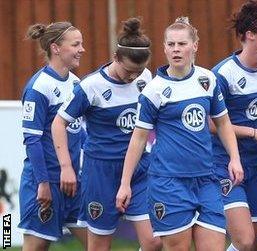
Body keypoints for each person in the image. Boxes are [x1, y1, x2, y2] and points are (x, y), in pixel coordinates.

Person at [115, 16, 243, 251]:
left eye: (182, 44)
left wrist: (234, 159)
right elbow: (139, 138)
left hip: (206, 179)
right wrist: (125, 183)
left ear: (194, 46)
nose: (176, 49)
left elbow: (223, 123)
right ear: (164, 48)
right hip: (168, 182)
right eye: (171, 44)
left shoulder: (208, 80)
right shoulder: (154, 90)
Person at [51, 17, 161, 251]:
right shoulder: (91, 87)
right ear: (116, 58)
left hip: (139, 168)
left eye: (138, 72)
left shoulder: (146, 78)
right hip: (100, 172)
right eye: (129, 71)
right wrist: (66, 167)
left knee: (154, 242)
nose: (133, 77)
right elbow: (58, 123)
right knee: (99, 246)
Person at [211, 1, 257, 250]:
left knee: (249, 243)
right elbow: (211, 123)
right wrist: (254, 133)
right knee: (244, 239)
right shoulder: (223, 74)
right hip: (226, 162)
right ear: (250, 35)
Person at [18, 21, 88, 251]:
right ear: (56, 48)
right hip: (47, 182)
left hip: (73, 183)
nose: (82, 49)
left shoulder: (77, 83)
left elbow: (81, 132)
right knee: (36, 246)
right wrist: (43, 183)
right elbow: (33, 140)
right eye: (76, 44)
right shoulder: (39, 87)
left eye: (82, 44)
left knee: (97, 243)